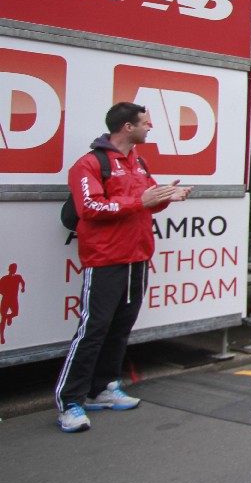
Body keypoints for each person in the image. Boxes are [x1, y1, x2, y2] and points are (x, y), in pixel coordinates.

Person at [54, 102, 193, 433]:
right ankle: (70, 403)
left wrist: (167, 196)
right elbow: (90, 208)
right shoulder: (89, 164)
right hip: (105, 260)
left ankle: (104, 387)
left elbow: (146, 205)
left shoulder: (138, 162)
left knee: (119, 329)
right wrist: (141, 201)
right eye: (145, 122)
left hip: (138, 258)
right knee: (93, 331)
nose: (150, 127)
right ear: (127, 127)